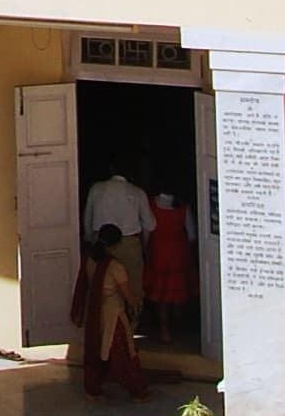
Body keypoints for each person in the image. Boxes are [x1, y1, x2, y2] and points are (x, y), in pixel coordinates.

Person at [73, 224, 151, 401]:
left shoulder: (89, 260)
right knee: (123, 353)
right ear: (117, 244)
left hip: (94, 314)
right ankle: (137, 391)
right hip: (113, 314)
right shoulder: (115, 266)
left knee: (95, 350)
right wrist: (137, 304)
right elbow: (128, 295)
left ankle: (92, 390)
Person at [81, 161, 153, 307]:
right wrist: (146, 248)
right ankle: (130, 326)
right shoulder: (137, 192)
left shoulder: (96, 189)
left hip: (101, 243)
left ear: (111, 169)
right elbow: (149, 225)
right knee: (132, 291)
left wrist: (90, 240)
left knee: (102, 291)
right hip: (129, 245)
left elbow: (87, 219)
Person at [143, 185, 197, 344]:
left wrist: (147, 250)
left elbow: (147, 231)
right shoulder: (183, 207)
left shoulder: (152, 204)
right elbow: (192, 234)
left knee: (161, 295)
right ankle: (177, 325)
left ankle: (164, 330)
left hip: (158, 252)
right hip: (179, 253)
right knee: (178, 291)